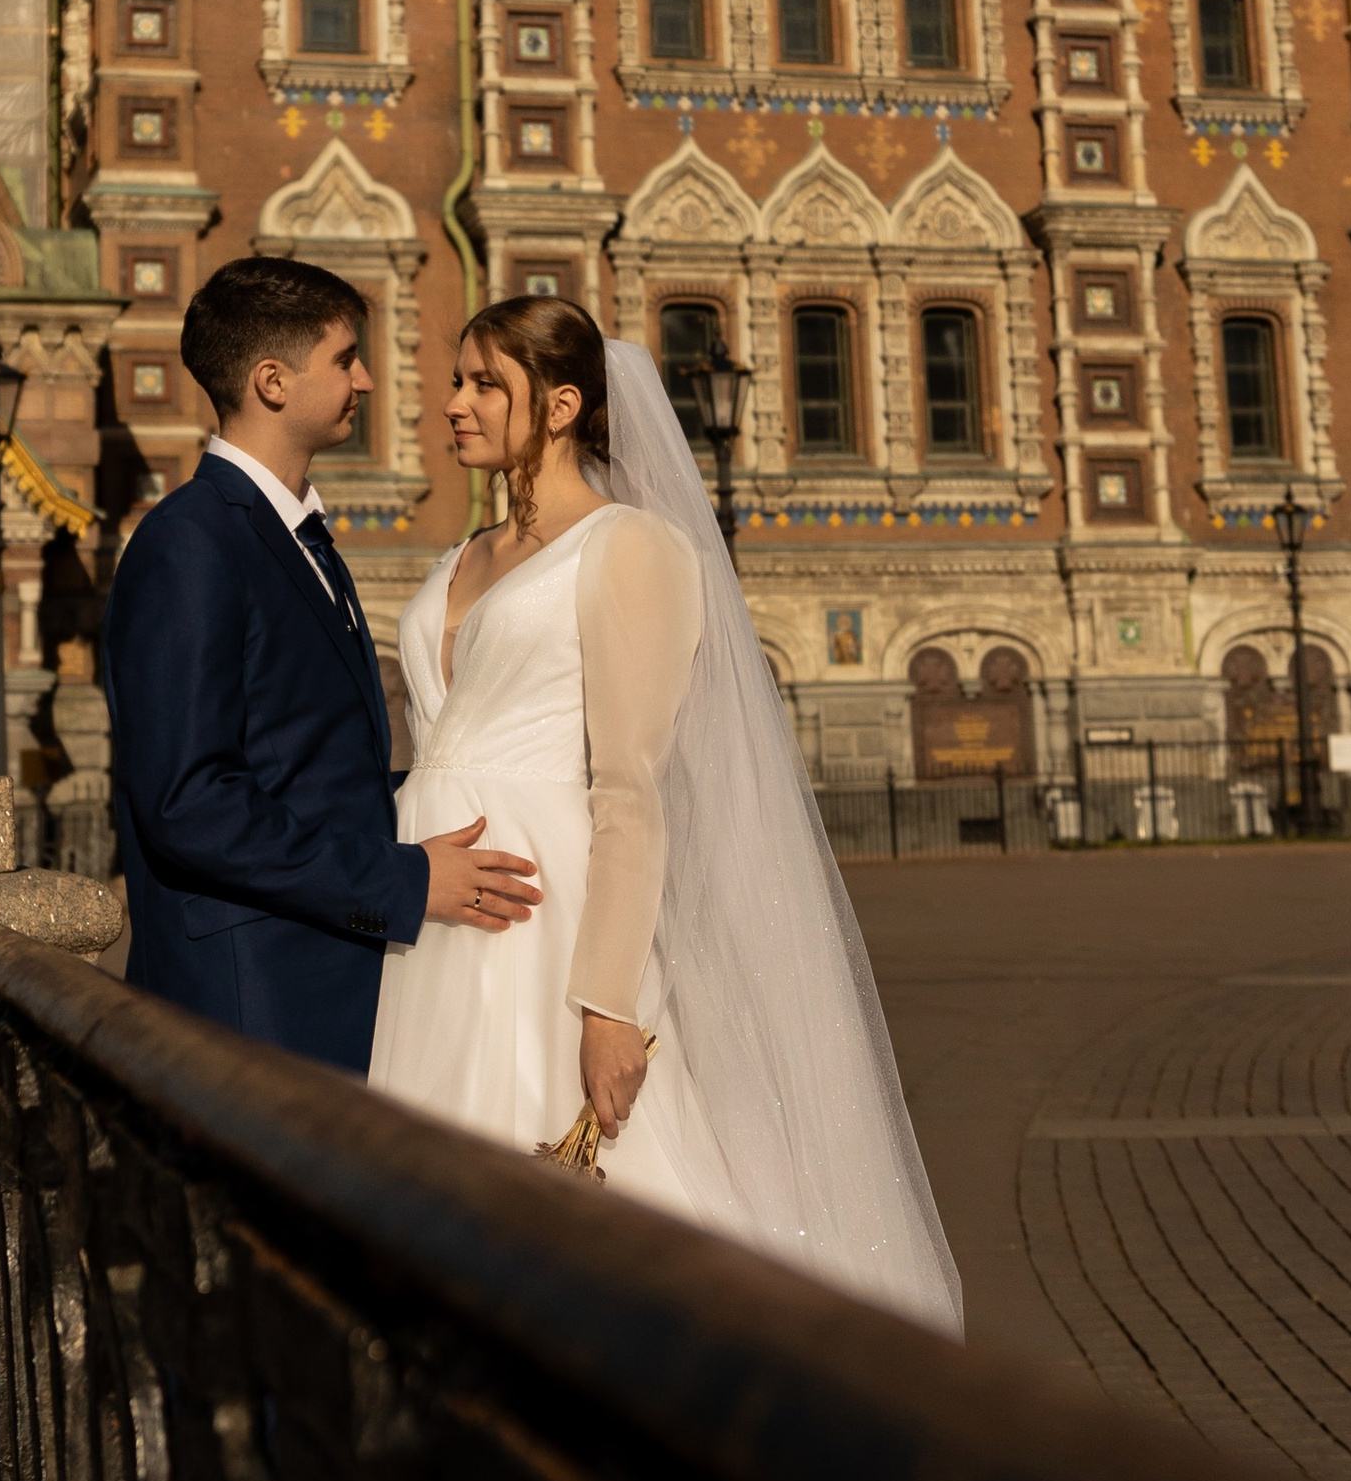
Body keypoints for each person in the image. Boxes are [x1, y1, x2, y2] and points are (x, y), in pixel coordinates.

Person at [367, 298, 962, 1333]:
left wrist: (608, 1004)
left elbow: (630, 790)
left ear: (559, 406)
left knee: (583, 1200)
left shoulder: (629, 548)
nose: (452, 402)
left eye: (482, 384)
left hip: (546, 921)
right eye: (456, 379)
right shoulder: (460, 552)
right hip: (432, 915)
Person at [102, 257, 539, 1073]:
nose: (367, 380)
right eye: (345, 358)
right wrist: (404, 883)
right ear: (273, 381)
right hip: (251, 1003)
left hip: (321, 978)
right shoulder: (190, 543)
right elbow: (190, 802)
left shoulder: (301, 540)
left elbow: (309, 766)